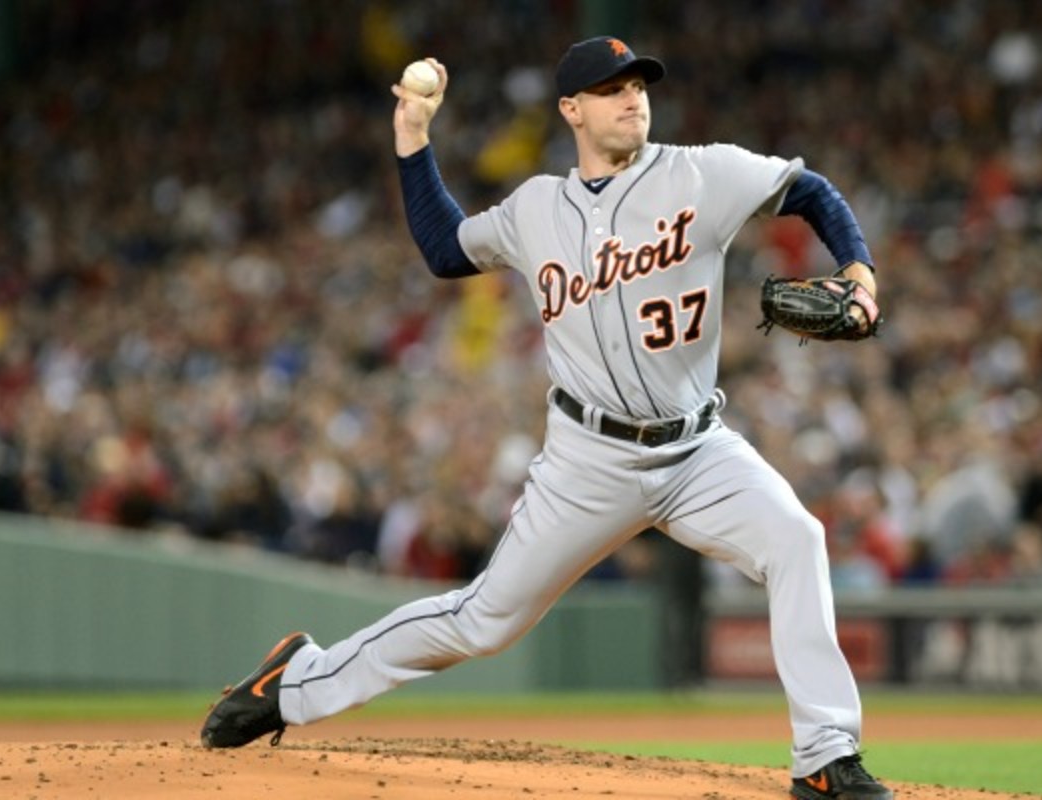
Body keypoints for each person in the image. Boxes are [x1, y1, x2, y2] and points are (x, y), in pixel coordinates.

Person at [200, 37, 890, 800]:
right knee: (484, 622)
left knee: (796, 539)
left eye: (638, 85)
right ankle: (295, 681)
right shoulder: (535, 208)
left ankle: (825, 755)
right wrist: (413, 140)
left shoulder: (704, 172)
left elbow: (812, 191)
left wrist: (858, 271)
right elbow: (444, 249)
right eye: (611, 88)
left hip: (697, 450)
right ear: (572, 109)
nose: (633, 98)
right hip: (586, 460)